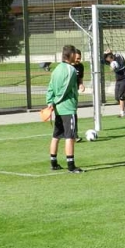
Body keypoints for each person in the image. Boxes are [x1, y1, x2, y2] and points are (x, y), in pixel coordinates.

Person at [45, 44, 83, 173]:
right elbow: (65, 89)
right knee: (70, 137)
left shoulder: (56, 69)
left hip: (58, 109)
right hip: (67, 108)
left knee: (56, 135)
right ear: (71, 55)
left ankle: (54, 163)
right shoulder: (70, 70)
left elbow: (50, 87)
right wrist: (55, 101)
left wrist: (50, 102)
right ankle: (71, 166)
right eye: (75, 54)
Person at [103, 49, 125, 117]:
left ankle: (122, 113)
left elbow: (122, 66)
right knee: (117, 97)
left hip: (124, 79)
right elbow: (102, 61)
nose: (107, 60)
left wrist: (115, 67)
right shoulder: (109, 61)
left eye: (106, 57)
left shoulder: (118, 57)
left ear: (110, 56)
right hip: (118, 80)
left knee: (121, 96)